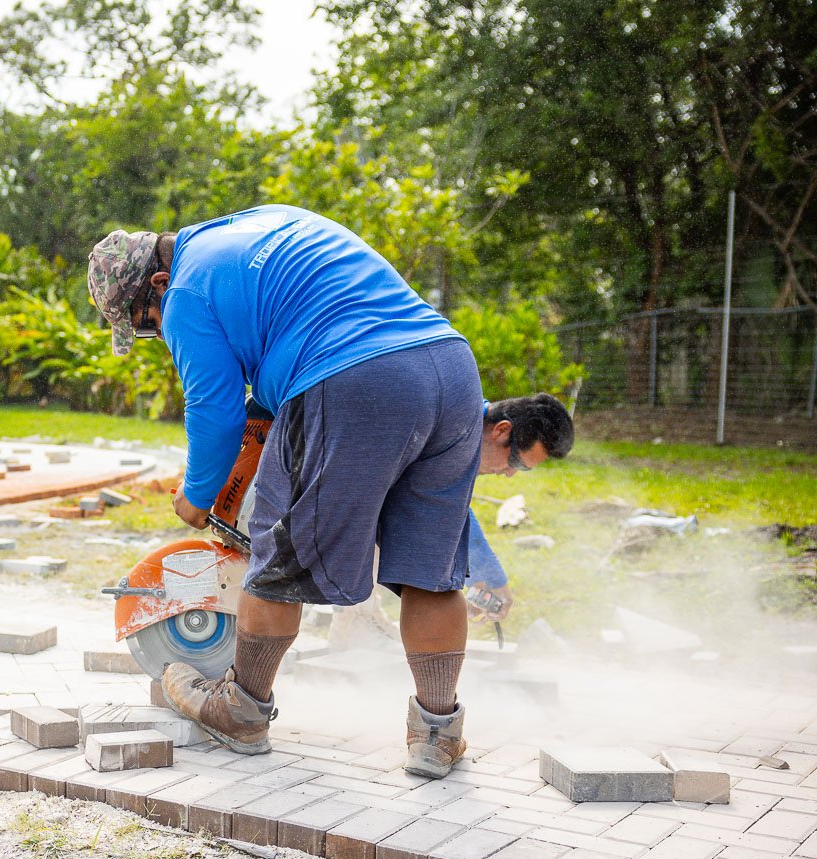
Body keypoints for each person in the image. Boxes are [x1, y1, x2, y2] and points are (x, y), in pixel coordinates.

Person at [87, 208, 573, 779]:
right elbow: (292, 328)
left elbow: (213, 411)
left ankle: (242, 709)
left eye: (147, 322)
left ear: (159, 285)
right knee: (431, 570)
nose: (156, 332)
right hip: (450, 369)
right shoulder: (259, 225)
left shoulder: (187, 291)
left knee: (277, 548)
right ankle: (436, 734)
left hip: (351, 376)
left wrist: (197, 497)